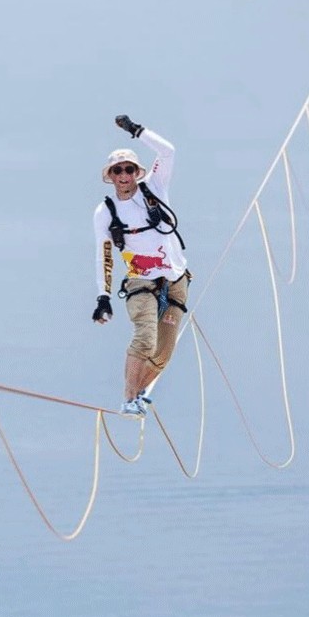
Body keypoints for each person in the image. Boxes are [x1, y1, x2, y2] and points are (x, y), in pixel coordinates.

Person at [91, 115, 192, 417]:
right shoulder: (105, 212)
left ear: (137, 172)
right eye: (117, 170)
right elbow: (104, 255)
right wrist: (103, 298)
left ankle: (139, 394)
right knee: (145, 338)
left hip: (175, 279)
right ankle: (128, 397)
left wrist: (137, 131)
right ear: (110, 176)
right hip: (141, 282)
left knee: (162, 354)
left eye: (129, 169)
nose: (123, 175)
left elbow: (168, 152)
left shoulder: (155, 187)